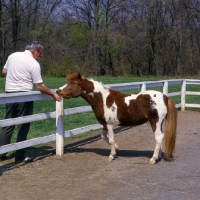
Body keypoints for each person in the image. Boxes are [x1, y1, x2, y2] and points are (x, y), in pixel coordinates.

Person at [0, 41, 61, 163]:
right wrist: (53, 94)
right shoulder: (33, 64)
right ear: (35, 51)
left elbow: (4, 72)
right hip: (24, 96)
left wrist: (15, 75)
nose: (40, 56)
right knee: (24, 125)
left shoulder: (12, 56)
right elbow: (40, 86)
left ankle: (1, 152)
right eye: (41, 53)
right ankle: (20, 155)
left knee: (8, 124)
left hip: (10, 94)